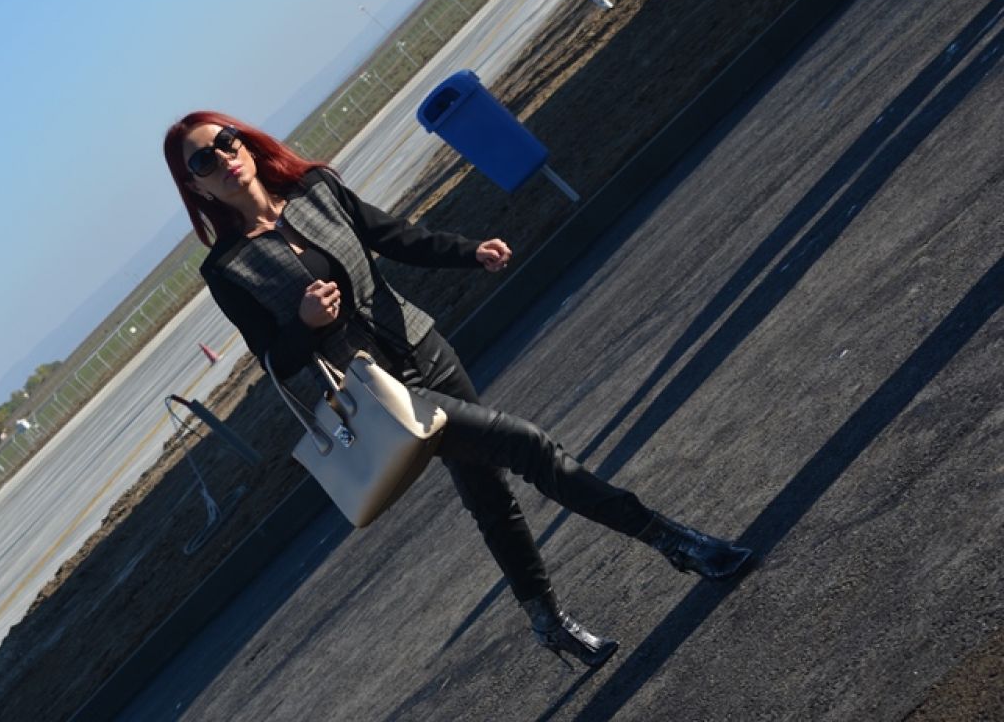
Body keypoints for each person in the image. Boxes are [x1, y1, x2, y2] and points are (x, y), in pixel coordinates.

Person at [163, 111, 754, 668]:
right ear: (197, 187)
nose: (223, 159)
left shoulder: (317, 189)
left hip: (426, 348)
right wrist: (305, 323)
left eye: (227, 143)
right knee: (528, 445)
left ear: (246, 144)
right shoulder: (228, 268)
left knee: (489, 494)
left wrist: (469, 252)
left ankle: (547, 623)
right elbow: (275, 358)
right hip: (383, 395)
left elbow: (394, 237)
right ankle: (674, 541)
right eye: (203, 161)